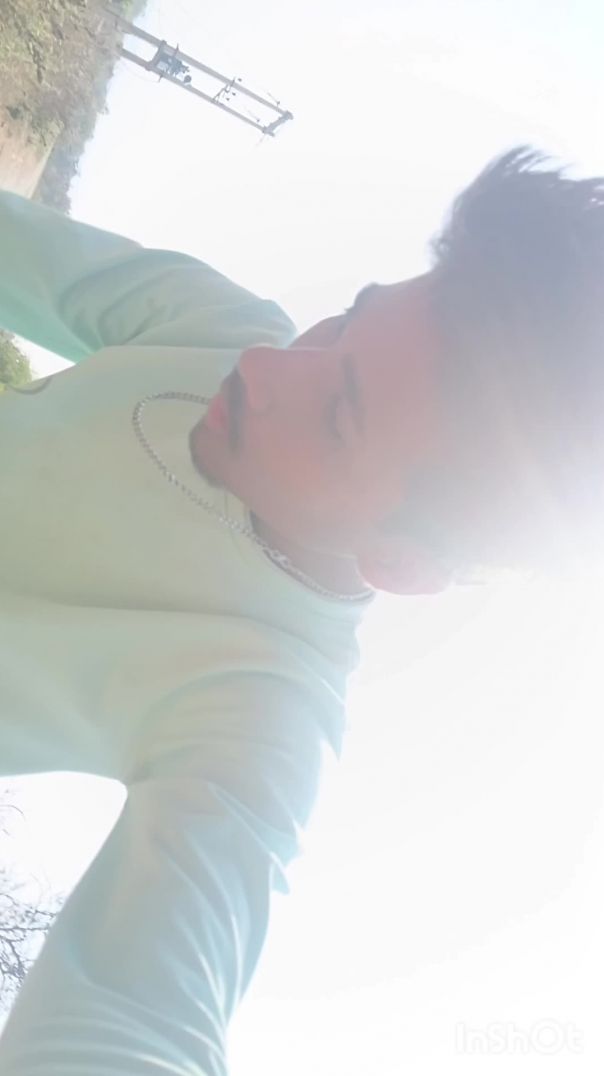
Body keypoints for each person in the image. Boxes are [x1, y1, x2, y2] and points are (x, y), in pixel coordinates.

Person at [0, 143, 602, 1073]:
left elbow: (136, 1019)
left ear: (400, 562)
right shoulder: (222, 324)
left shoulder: (260, 713)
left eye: (337, 418)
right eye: (347, 319)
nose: (265, 369)